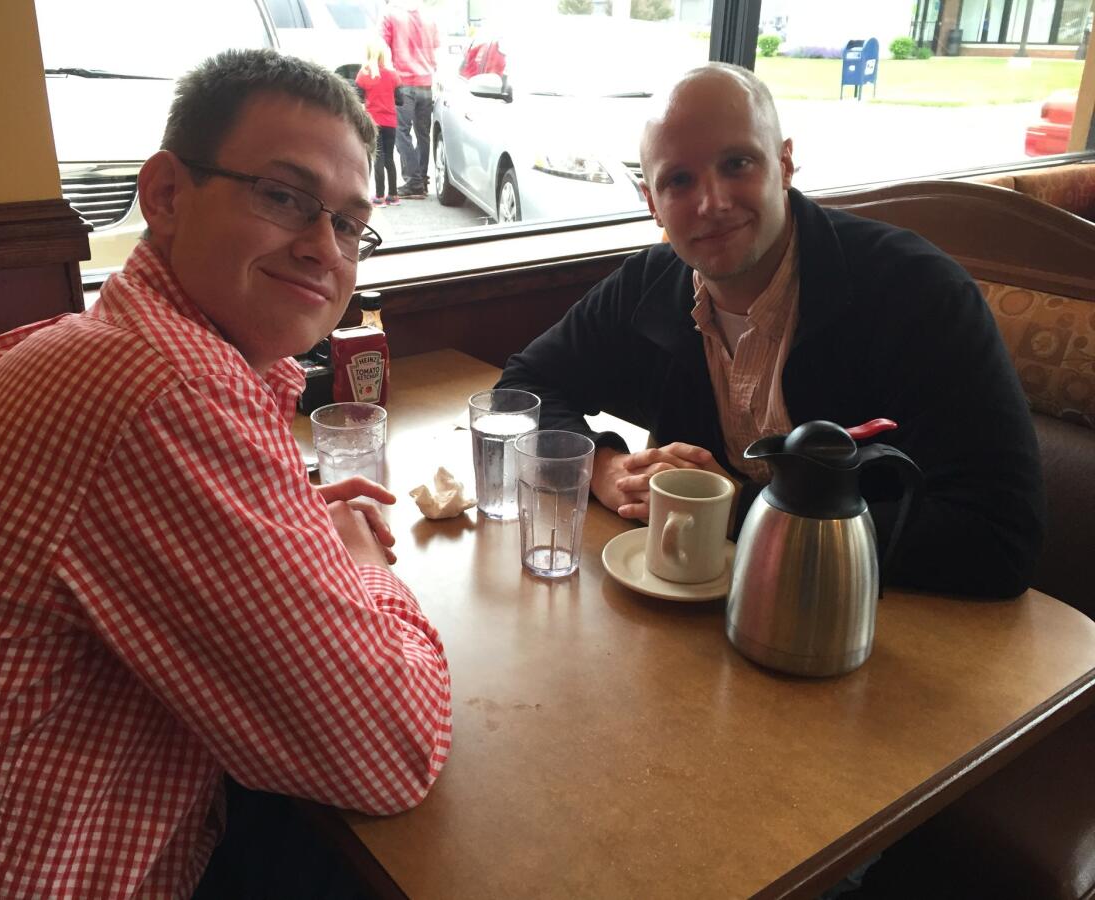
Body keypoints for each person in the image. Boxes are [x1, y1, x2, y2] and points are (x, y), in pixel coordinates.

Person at [0, 49, 452, 898]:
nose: (322, 248)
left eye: (347, 223)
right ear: (165, 196)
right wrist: (363, 568)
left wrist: (287, 520)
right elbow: (387, 751)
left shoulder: (76, 343)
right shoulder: (165, 390)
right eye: (283, 196)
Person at [497, 63, 1044, 599]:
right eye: (679, 180)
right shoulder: (648, 283)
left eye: (737, 164)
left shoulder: (916, 291)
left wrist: (746, 513)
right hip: (694, 628)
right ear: (652, 203)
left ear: (785, 164)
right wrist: (603, 467)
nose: (711, 203)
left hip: (873, 630)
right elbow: (523, 387)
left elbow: (1000, 537)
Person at [381, 0, 438, 198]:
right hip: (426, 82)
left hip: (403, 83)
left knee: (401, 133)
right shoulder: (429, 14)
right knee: (423, 134)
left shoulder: (390, 13)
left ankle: (414, 182)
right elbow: (436, 46)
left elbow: (381, 48)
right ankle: (421, 179)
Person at [356, 41, 402, 207]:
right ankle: (393, 195)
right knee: (390, 158)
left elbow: (358, 98)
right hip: (390, 122)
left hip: (374, 122)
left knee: (378, 158)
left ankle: (380, 197)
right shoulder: (392, 75)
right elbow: (400, 100)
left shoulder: (364, 74)